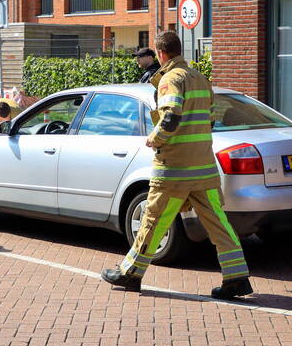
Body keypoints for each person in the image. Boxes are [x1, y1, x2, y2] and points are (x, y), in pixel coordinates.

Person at [102, 31, 253, 300]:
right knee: (219, 224)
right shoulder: (200, 79)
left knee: (154, 219)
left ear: (160, 54)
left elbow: (171, 118)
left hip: (174, 169)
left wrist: (154, 138)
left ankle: (130, 273)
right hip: (204, 168)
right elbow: (209, 122)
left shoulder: (171, 79)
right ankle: (237, 277)